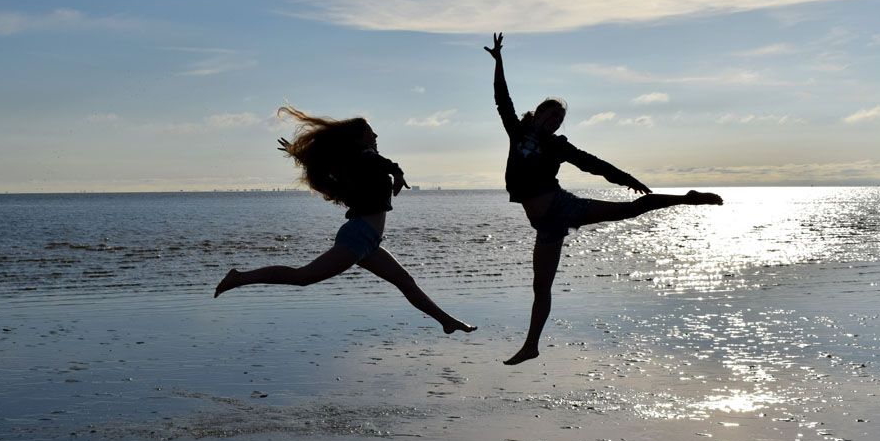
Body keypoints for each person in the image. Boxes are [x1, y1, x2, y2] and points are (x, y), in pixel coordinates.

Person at [485, 33, 723, 365]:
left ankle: (687, 198)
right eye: (550, 116)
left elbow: (594, 165)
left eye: (559, 120)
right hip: (545, 226)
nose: (553, 122)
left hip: (563, 208)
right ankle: (532, 346)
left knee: (631, 209)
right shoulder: (517, 130)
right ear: (537, 114)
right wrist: (499, 61)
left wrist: (627, 179)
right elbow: (502, 99)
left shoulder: (559, 146)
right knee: (541, 288)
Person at [215, 106, 477, 335]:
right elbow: (384, 163)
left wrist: (300, 155)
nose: (376, 136)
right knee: (303, 277)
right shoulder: (365, 157)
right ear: (360, 137)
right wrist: (397, 172)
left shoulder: (357, 165)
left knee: (405, 281)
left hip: (369, 241)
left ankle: (447, 322)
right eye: (371, 132)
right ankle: (239, 278)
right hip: (359, 237)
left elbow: (368, 168)